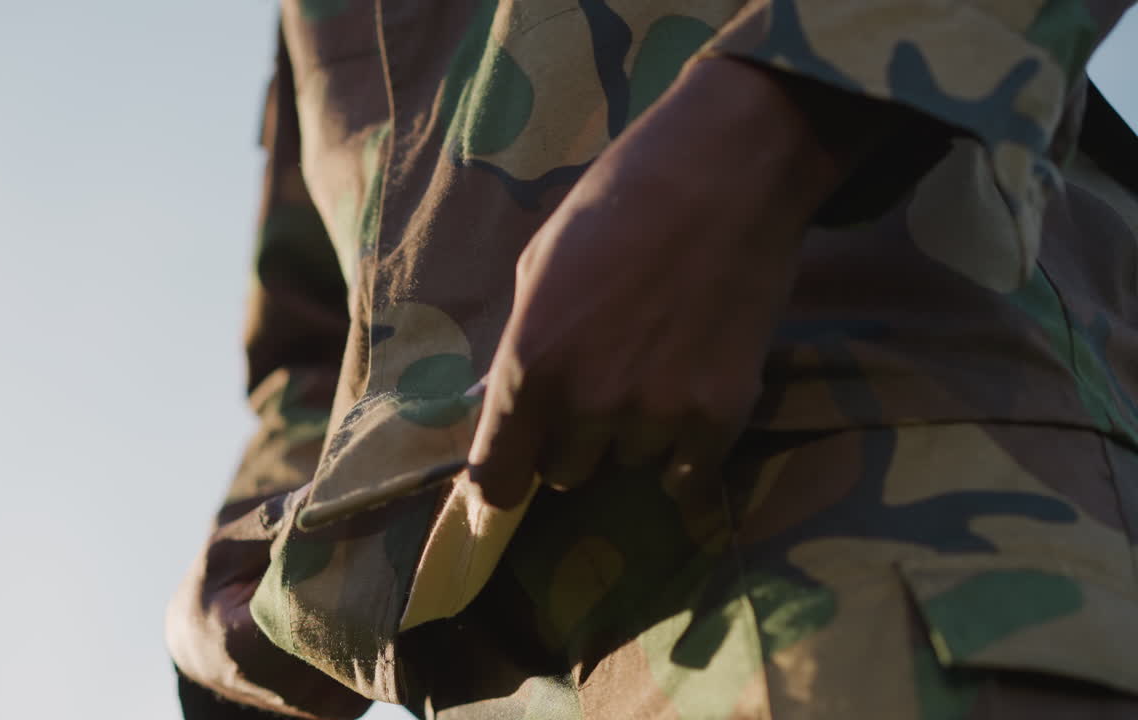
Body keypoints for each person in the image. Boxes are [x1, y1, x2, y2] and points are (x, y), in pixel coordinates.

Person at [167, 1, 1138, 717]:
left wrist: (771, 120)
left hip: (889, 527)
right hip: (505, 679)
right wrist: (241, 615)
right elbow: (316, 363)